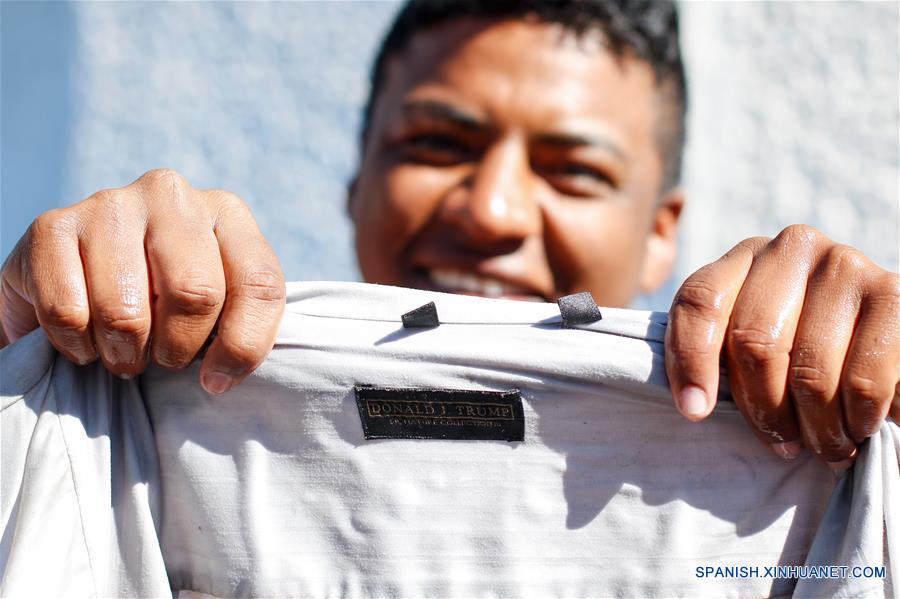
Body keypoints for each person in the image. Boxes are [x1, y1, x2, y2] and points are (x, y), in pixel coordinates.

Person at [0, 0, 897, 474]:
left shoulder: (797, 449)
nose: (492, 210)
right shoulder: (153, 408)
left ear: (663, 232)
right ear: (358, 179)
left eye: (574, 170)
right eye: (436, 145)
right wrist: (27, 358)